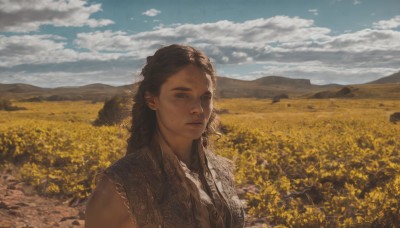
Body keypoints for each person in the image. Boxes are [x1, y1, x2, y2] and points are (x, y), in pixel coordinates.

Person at [85, 44, 245, 228]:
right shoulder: (120, 184)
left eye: (206, 97)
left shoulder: (222, 171)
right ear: (152, 100)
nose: (198, 109)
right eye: (181, 95)